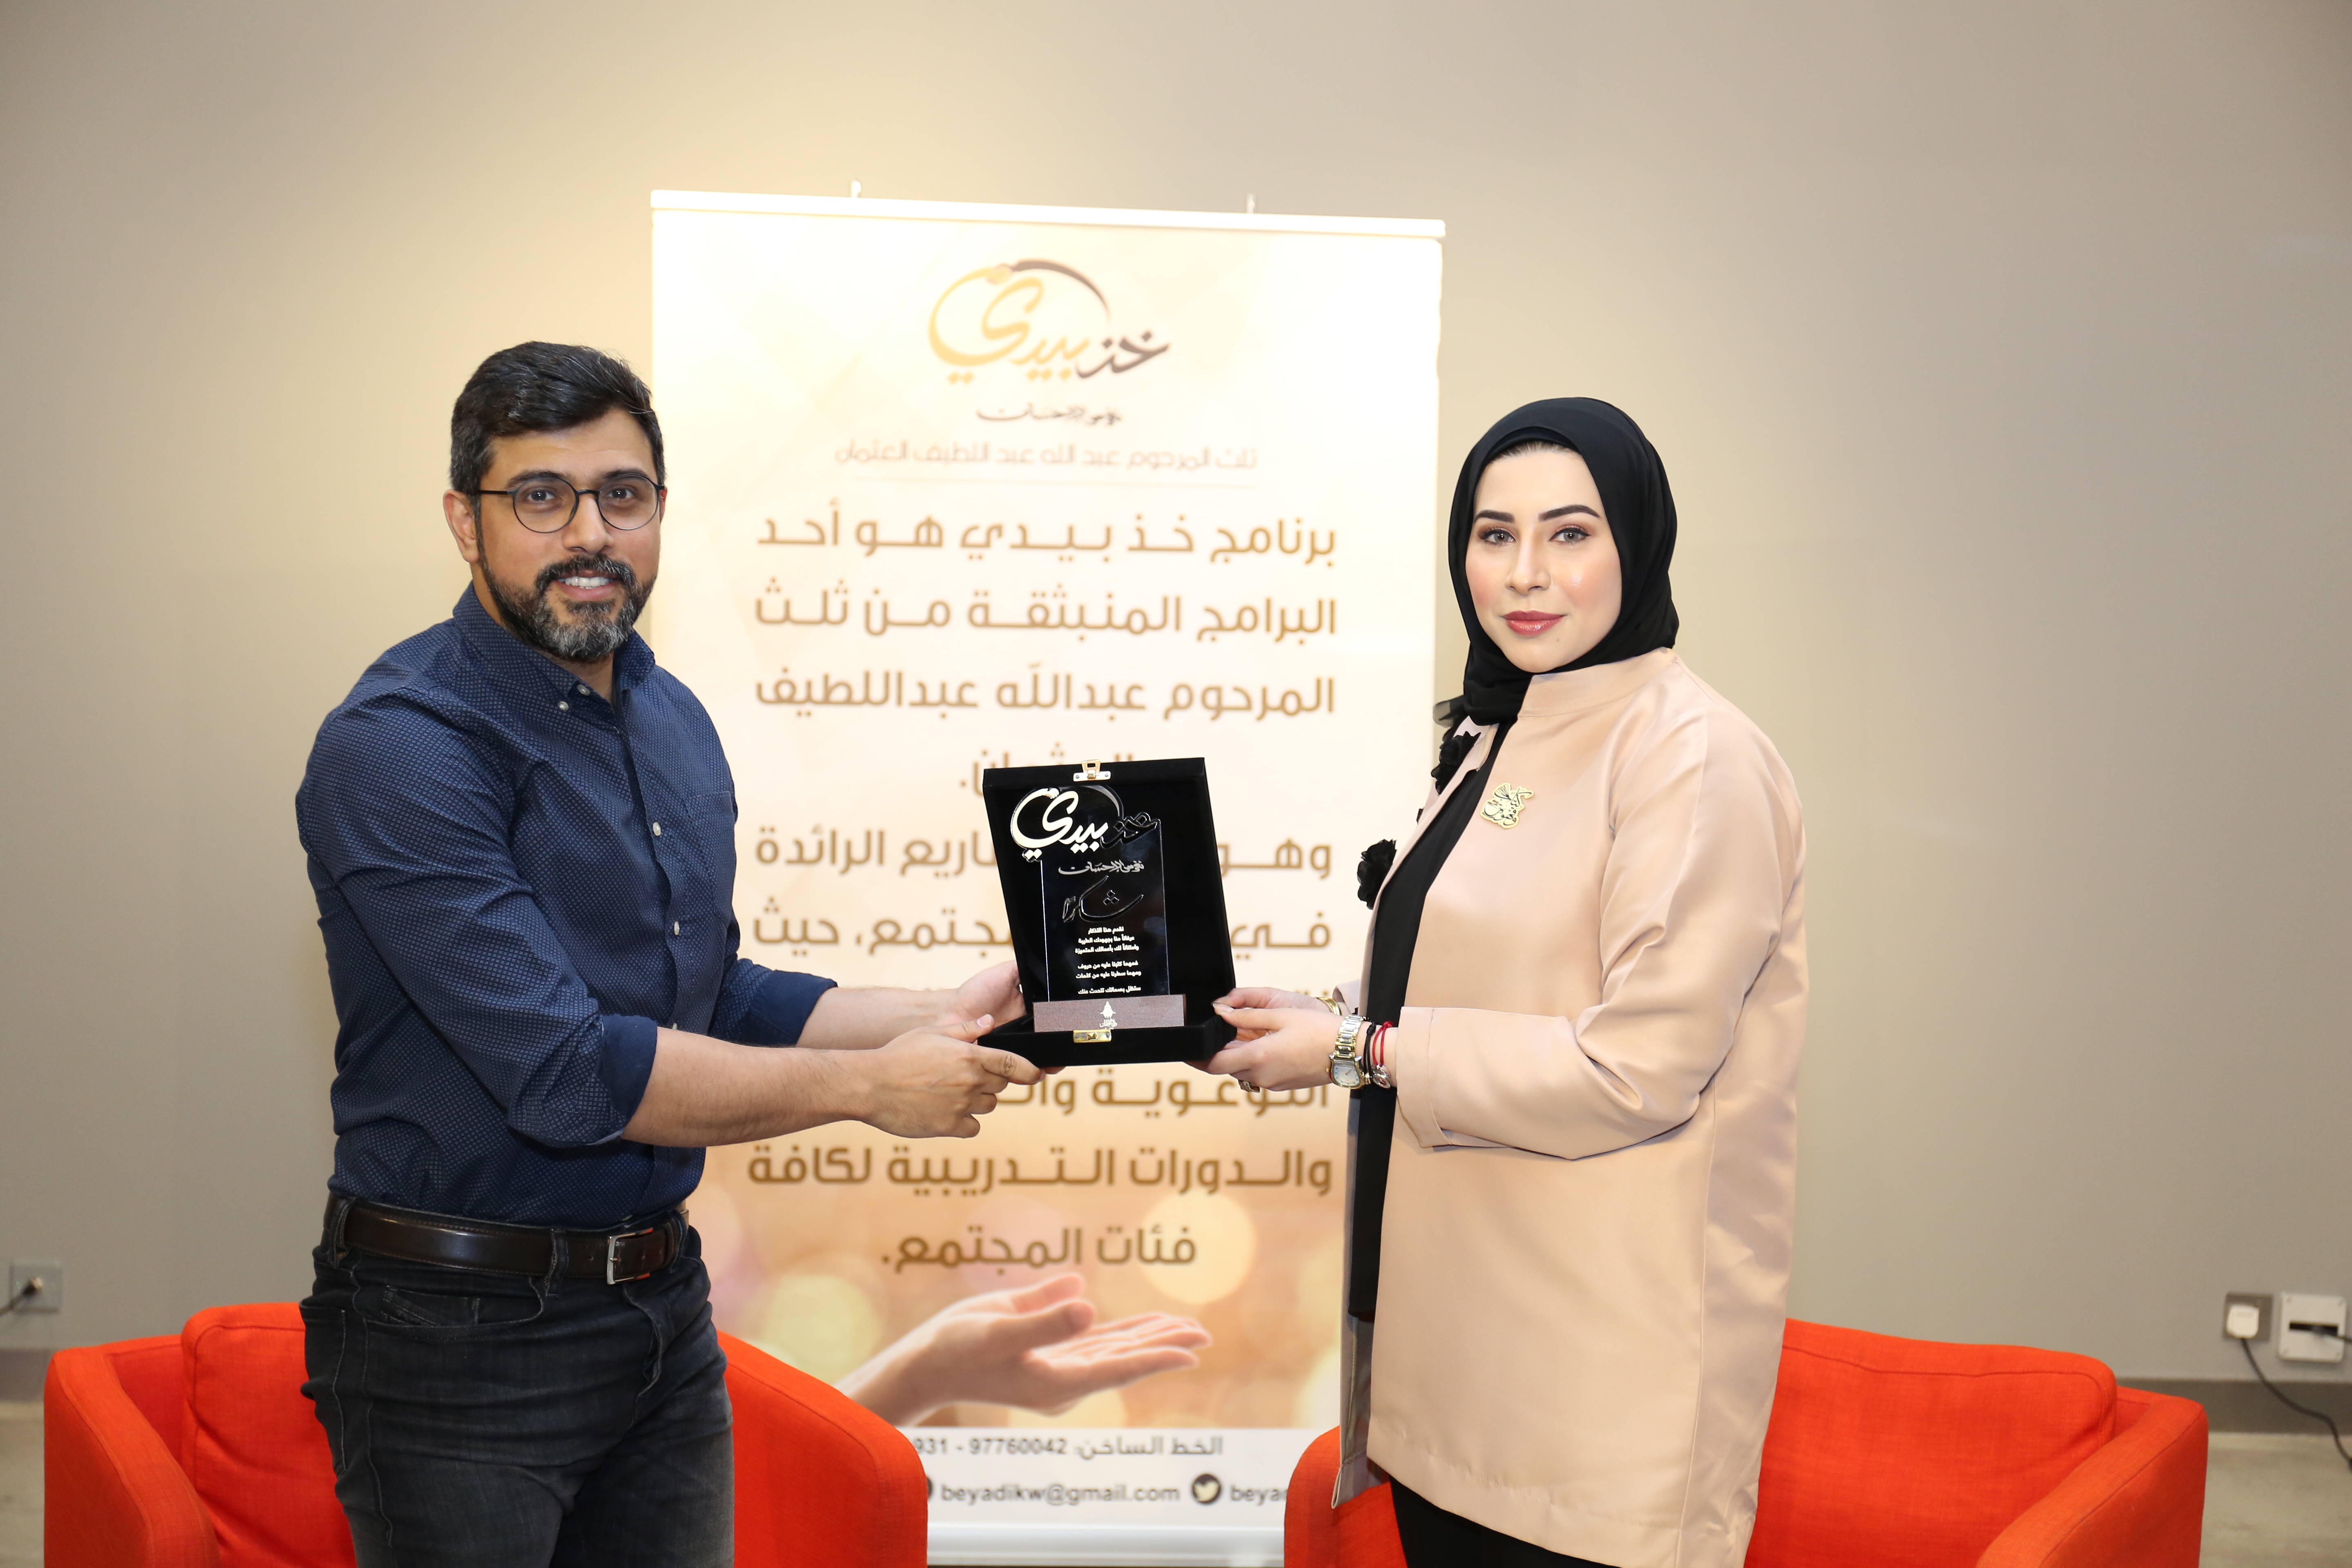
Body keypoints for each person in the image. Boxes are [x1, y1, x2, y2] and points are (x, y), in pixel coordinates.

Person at [296, 342, 1048, 1566]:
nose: (590, 533)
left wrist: (946, 1013)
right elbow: (569, 1073)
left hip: (660, 1312)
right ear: (465, 520)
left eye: (624, 495)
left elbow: (715, 995)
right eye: (543, 497)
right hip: (456, 1338)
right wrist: (871, 1089)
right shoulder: (401, 744)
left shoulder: (668, 714)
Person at [1202, 399, 1806, 1568]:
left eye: (1570, 533)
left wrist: (1359, 1053)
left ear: (1639, 543)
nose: (1526, 572)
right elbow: (1502, 984)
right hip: (1456, 1351)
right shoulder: (1502, 733)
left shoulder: (1692, 752)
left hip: (1592, 1376)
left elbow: (1637, 1068)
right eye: (1495, 535)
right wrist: (1337, 1020)